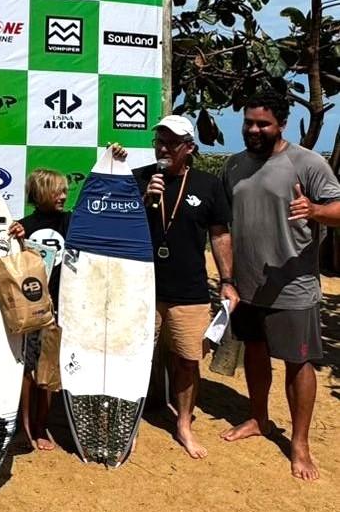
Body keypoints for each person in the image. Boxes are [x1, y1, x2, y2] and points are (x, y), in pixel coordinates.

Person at [220, 93, 340, 480]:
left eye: (263, 124)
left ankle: (300, 443)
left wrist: (316, 210)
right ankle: (259, 419)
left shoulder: (307, 162)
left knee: (298, 362)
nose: (254, 130)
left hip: (293, 288)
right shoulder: (234, 166)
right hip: (248, 286)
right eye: (249, 123)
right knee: (254, 352)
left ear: (282, 124)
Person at [123, 116, 233, 460]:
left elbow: (220, 236)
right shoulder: (139, 179)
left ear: (189, 147)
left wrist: (228, 281)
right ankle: (130, 425)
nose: (163, 148)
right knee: (136, 360)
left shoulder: (208, 184)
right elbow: (118, 229)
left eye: (172, 142)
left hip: (190, 291)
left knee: (187, 361)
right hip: (143, 290)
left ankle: (184, 423)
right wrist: (142, 200)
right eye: (160, 140)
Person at [8, 168, 71, 452]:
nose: (64, 195)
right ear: (42, 192)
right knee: (25, 371)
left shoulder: (72, 223)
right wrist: (16, 239)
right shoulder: (22, 226)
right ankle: (22, 427)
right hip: (30, 308)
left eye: (65, 190)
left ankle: (41, 425)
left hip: (60, 306)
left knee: (49, 370)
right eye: (58, 190)